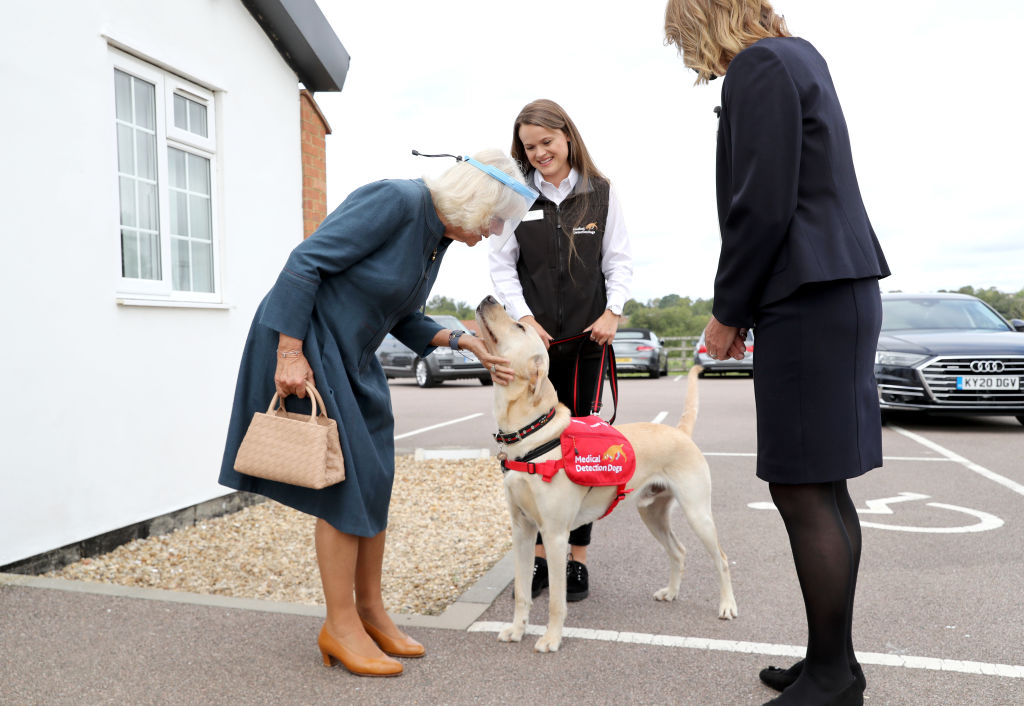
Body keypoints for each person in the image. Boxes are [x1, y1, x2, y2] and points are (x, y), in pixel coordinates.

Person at [218, 149, 532, 677]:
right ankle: (339, 626)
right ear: (476, 200)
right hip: (309, 344)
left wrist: (461, 340)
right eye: (496, 218)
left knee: (376, 476)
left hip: (354, 357)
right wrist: (289, 352)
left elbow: (402, 315)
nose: (495, 230)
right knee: (344, 488)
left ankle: (369, 611)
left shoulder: (435, 238)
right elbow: (305, 262)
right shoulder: (398, 200)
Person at [665, 2, 890, 705]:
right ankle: (834, 662)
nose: (690, 58)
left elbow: (761, 203)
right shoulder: (799, 56)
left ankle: (831, 677)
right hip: (838, 287)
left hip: (807, 292)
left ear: (702, 22)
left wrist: (728, 311)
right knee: (824, 484)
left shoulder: (758, 66)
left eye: (683, 40)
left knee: (801, 486)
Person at [490, 99, 634, 602]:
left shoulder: (601, 192)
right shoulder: (515, 196)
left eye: (547, 142)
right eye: (529, 147)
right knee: (531, 449)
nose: (539, 153)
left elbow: (618, 261)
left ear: (567, 136)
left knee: (578, 448)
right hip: (535, 349)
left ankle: (576, 560)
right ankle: (537, 560)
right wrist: (525, 319)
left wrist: (613, 311)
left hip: (587, 341)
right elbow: (501, 266)